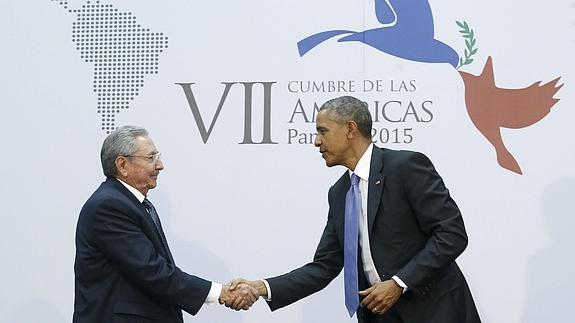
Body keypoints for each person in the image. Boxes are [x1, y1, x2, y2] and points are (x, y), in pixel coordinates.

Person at [231, 96, 481, 323]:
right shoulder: (339, 193)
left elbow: (452, 234)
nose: (316, 141)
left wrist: (399, 283)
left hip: (435, 313)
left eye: (322, 131)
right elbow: (324, 267)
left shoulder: (405, 167)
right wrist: (261, 287)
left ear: (350, 129)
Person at [73, 126, 257, 323]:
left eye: (157, 157)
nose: (160, 165)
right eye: (151, 158)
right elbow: (150, 270)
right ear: (122, 164)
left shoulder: (132, 203)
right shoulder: (109, 206)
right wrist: (219, 292)